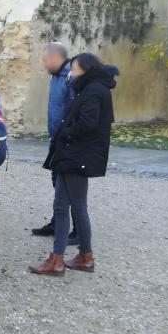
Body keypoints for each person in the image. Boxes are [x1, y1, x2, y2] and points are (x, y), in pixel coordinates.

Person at [30, 53, 118, 276]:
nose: (71, 73)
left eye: (75, 69)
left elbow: (88, 123)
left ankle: (81, 256)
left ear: (86, 70)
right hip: (70, 155)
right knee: (62, 206)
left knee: (77, 206)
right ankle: (61, 258)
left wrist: (64, 133)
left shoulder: (95, 90)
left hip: (77, 156)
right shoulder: (89, 88)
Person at [32, 43, 79, 245]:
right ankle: (57, 223)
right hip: (56, 140)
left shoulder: (71, 77)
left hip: (67, 142)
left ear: (54, 58)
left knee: (69, 186)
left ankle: (78, 230)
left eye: (45, 61)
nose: (44, 65)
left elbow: (75, 110)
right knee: (57, 183)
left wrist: (67, 136)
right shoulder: (56, 77)